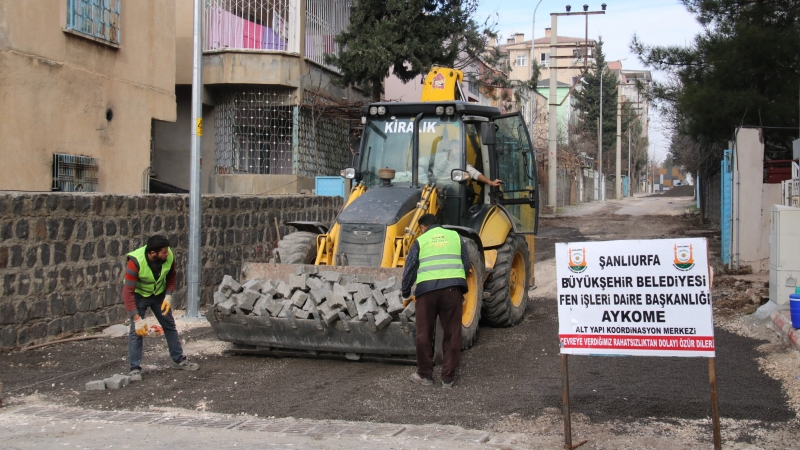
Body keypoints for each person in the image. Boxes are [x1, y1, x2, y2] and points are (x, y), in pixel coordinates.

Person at [401, 214, 470, 389]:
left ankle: (425, 376)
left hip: (427, 292)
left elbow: (410, 268)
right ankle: (448, 378)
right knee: (452, 333)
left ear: (423, 227)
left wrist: (406, 291)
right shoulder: (456, 237)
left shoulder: (421, 241)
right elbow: (466, 263)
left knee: (424, 333)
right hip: (452, 290)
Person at [123, 235, 198, 380]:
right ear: (153, 253)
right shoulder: (135, 262)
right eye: (164, 252)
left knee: (169, 325)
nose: (168, 254)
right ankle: (134, 368)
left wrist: (168, 296)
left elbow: (171, 277)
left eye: (167, 251)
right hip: (139, 295)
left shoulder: (168, 257)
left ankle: (178, 359)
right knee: (136, 331)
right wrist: (136, 318)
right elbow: (127, 293)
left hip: (158, 295)